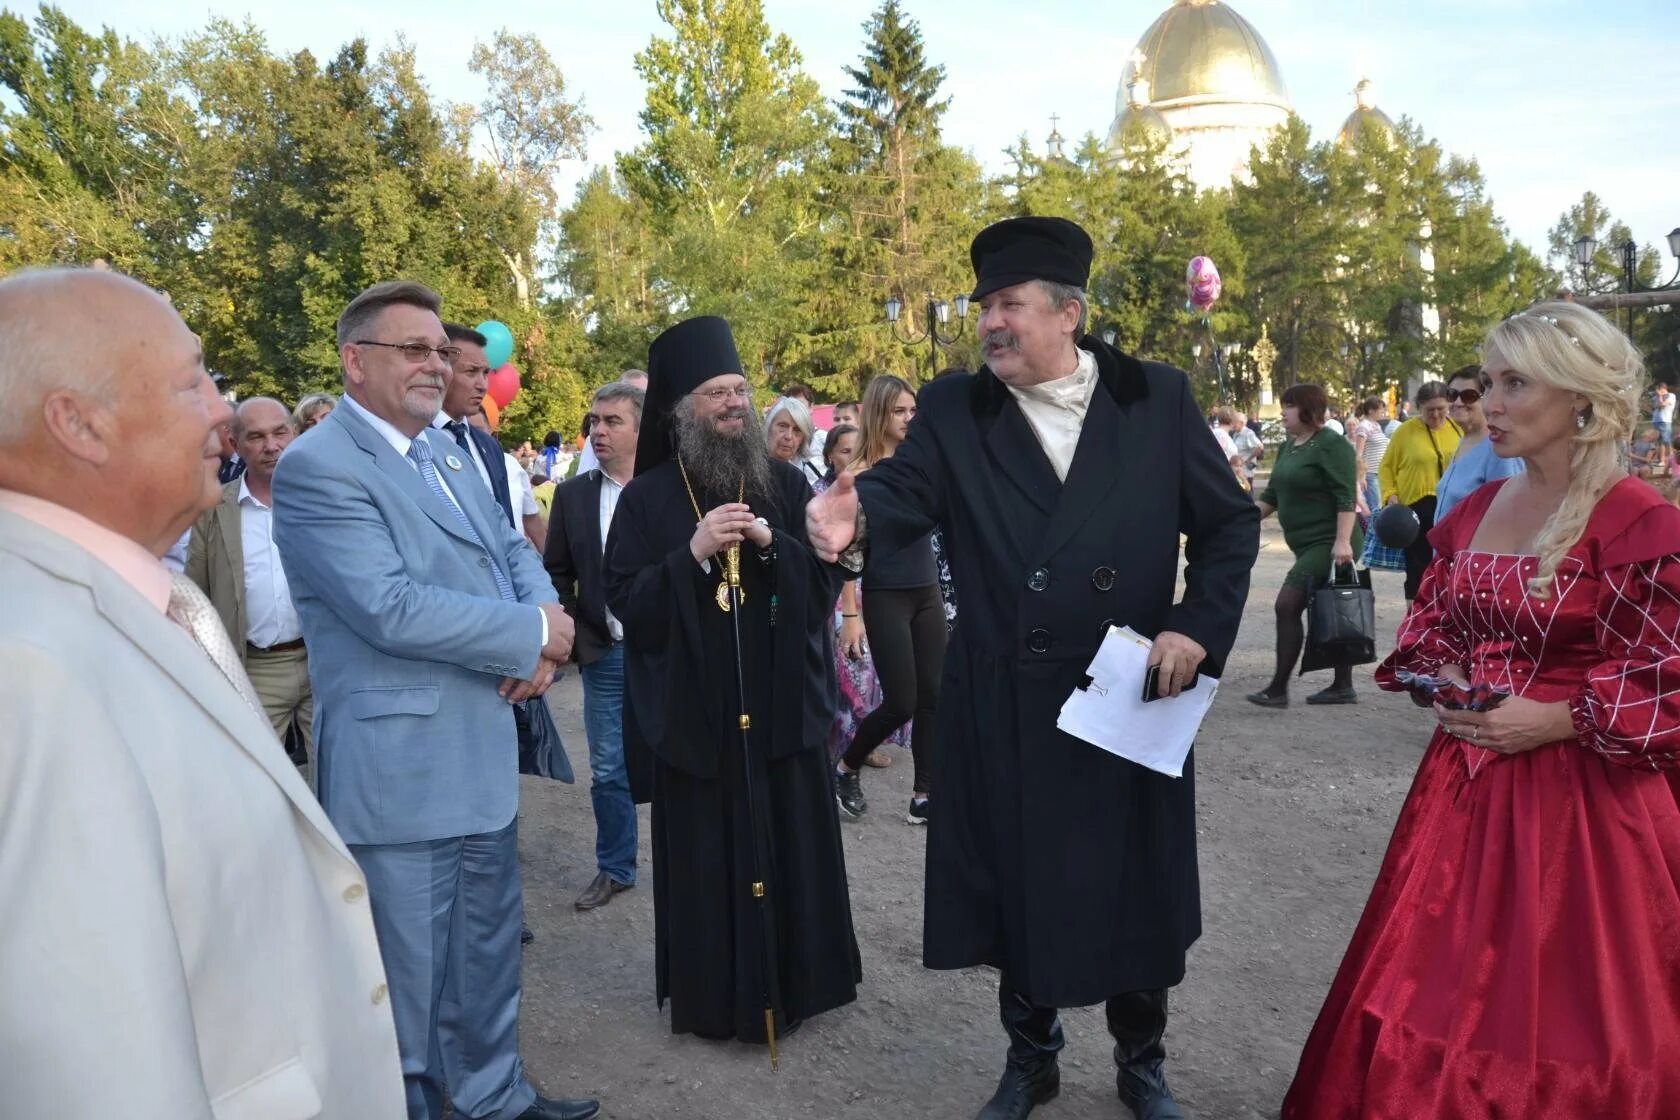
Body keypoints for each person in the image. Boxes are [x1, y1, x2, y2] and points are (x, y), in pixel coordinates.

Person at [807, 216, 1259, 1120]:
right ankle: (1033, 1058)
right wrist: (856, 514)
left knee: (1133, 886)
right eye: (985, 308)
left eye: (1009, 305)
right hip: (1007, 696)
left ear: (1069, 314)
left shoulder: (1153, 399)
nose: (990, 324)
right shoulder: (955, 409)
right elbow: (909, 485)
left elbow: (1228, 525)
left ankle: (1142, 1064)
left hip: (1130, 691)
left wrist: (1194, 629)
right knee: (1018, 886)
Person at [0, 267, 404, 1116]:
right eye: (192, 381)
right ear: (80, 424)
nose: (225, 410)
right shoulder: (28, 667)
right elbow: (91, 1069)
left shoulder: (120, 603)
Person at [1283, 301, 1680, 1118]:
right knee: (1429, 992)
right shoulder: (1469, 515)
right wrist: (1456, 674)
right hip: (1460, 795)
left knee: (1585, 1020)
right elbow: (1430, 625)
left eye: (1514, 383)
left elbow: (1668, 672)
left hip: (1592, 812)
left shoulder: (1640, 521)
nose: (1488, 403)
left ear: (1580, 398)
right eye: (1488, 382)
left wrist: (1560, 717)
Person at [271, 281, 597, 1120]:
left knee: (486, 950)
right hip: (400, 768)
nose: (436, 364)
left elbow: (510, 550)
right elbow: (389, 607)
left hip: (478, 744)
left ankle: (495, 1096)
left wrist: (546, 623)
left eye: (440, 352)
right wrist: (530, 633)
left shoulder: (452, 449)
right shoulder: (319, 466)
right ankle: (411, 1104)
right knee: (405, 971)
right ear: (355, 362)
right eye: (412, 349)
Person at [602, 315, 860, 1046]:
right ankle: (715, 1000)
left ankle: (798, 988)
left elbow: (817, 593)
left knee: (793, 847)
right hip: (699, 722)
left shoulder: (784, 483)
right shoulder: (647, 500)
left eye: (740, 390)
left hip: (781, 713)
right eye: (717, 392)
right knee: (708, 859)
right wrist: (689, 554)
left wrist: (775, 546)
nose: (733, 404)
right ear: (682, 409)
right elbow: (626, 605)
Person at [544, 382, 644, 911]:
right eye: (594, 421)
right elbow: (556, 570)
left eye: (613, 421)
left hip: (668, 656)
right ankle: (616, 867)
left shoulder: (672, 489)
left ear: (640, 430)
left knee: (683, 759)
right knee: (609, 767)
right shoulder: (574, 494)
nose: (598, 431)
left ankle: (693, 865)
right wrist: (577, 632)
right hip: (606, 653)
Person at [833, 373, 946, 823]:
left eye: (912, 410)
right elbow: (845, 550)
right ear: (880, 413)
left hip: (927, 589)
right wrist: (850, 613)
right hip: (885, 594)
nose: (908, 418)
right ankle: (846, 765)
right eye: (899, 410)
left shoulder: (921, 465)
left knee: (933, 696)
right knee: (901, 700)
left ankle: (924, 795)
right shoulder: (858, 476)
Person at [185, 396, 316, 780]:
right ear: (236, 443)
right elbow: (196, 593)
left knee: (338, 781)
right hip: (255, 667)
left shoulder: (324, 500)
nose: (271, 445)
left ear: (295, 434)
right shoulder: (214, 509)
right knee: (257, 779)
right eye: (256, 437)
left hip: (322, 660)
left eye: (280, 433)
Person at [1246, 384, 1364, 708]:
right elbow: (1271, 497)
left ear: (1308, 409)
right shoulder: (1289, 446)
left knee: (1287, 605)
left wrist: (1342, 542)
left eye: (1289, 406)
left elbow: (1345, 496)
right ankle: (1343, 686)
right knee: (1333, 607)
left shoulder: (1332, 445)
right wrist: (1240, 519)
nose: (1282, 412)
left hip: (1330, 541)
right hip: (1306, 543)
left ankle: (1278, 688)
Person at [1378, 380, 1461, 600]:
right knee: (1417, 563)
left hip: (1451, 507)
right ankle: (1415, 610)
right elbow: (1386, 467)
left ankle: (1447, 606)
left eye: (1441, 409)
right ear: (1419, 408)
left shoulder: (1458, 429)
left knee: (1449, 561)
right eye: (1429, 410)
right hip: (1414, 507)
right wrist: (1390, 494)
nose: (1436, 415)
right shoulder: (1405, 431)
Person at [1433, 363, 1524, 522]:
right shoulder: (1464, 441)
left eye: (1469, 396)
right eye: (1452, 395)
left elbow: (1507, 514)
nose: (1458, 402)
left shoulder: (1500, 449)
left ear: (1487, 398)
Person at [764, 394, 823, 488]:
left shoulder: (802, 480)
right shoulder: (749, 470)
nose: (788, 436)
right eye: (782, 426)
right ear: (769, 426)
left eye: (797, 430)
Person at [1350, 396, 1389, 515]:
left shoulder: (1376, 426)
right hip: (1370, 474)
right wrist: (1361, 476)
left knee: (1379, 506)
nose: (1383, 412)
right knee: (1374, 508)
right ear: (1371, 410)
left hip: (1379, 472)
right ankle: (1372, 533)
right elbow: (1359, 453)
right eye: (1381, 409)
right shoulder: (1364, 426)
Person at [1223, 408, 1264, 492]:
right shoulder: (1236, 434)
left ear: (1241, 423)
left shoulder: (1248, 433)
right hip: (1238, 469)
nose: (1232, 424)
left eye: (1234, 422)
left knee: (1247, 491)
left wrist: (1247, 460)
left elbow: (1260, 447)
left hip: (1246, 470)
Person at [1652, 380, 1674, 467]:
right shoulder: (1656, 397)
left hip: (1665, 421)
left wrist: (1660, 396)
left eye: (1659, 389)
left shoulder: (1671, 396)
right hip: (1656, 421)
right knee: (1659, 441)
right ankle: (1661, 460)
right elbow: (1655, 406)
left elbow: (1662, 405)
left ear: (1663, 389)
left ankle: (1668, 461)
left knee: (1665, 441)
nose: (1658, 392)